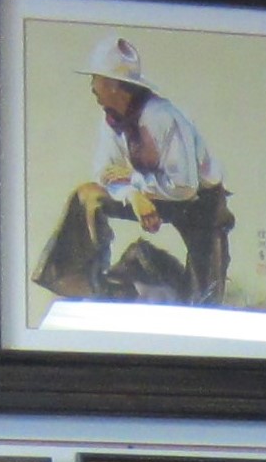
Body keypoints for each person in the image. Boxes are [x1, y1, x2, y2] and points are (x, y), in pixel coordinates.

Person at [32, 36, 233, 308]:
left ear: (113, 84)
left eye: (96, 79)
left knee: (204, 303)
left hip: (199, 205)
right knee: (87, 196)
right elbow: (104, 174)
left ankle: (167, 277)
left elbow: (184, 187)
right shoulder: (111, 121)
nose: (92, 87)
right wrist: (134, 196)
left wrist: (134, 180)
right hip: (148, 194)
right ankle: (87, 284)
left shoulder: (162, 117)